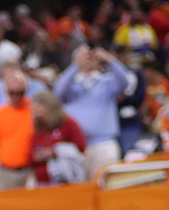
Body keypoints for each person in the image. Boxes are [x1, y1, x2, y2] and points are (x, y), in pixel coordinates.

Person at [55, 43, 137, 177]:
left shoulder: (106, 81)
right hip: (75, 147)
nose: (88, 59)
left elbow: (124, 82)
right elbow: (58, 92)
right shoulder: (70, 84)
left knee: (104, 187)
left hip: (103, 145)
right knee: (77, 192)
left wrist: (110, 60)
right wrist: (75, 66)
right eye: (84, 56)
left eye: (91, 57)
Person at [0, 64, 38, 190]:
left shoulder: (35, 110)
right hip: (6, 173)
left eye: (20, 93)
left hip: (33, 171)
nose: (16, 97)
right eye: (12, 93)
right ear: (6, 91)